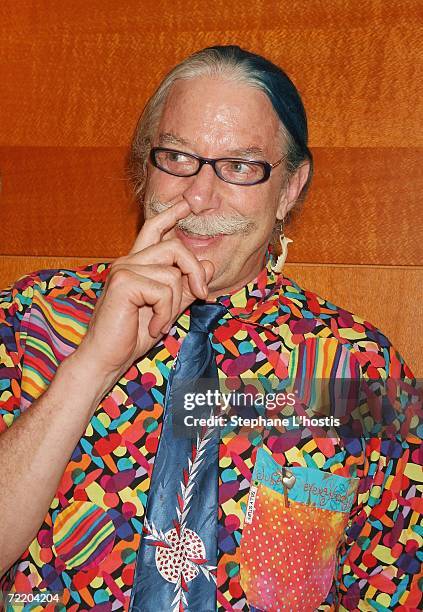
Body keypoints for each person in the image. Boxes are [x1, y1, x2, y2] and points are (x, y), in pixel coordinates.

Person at [0, 45, 421, 612]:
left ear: (290, 188)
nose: (198, 196)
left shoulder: (357, 368)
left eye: (241, 166)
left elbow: (393, 584)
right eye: (177, 157)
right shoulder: (31, 320)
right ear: (145, 166)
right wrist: (91, 367)